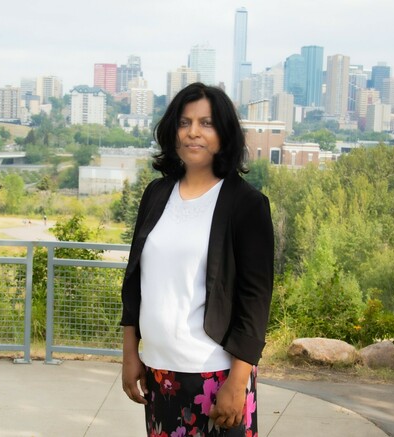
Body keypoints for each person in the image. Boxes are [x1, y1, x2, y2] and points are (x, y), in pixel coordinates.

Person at [120, 82, 273, 436]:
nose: (193, 133)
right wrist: (131, 355)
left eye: (206, 123)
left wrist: (238, 382)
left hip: (217, 375)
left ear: (224, 133)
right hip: (160, 373)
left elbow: (255, 300)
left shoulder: (246, 205)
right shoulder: (157, 195)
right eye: (185, 122)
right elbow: (134, 282)